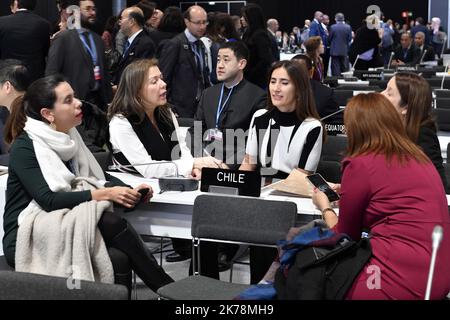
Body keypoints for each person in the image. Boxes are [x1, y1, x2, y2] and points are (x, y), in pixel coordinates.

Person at [2, 74, 174, 294]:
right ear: (48, 114)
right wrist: (104, 194)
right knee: (110, 221)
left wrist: (129, 191)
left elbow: (96, 177)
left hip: (64, 220)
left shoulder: (71, 136)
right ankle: (169, 290)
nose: (78, 103)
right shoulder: (25, 147)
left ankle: (168, 290)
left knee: (118, 258)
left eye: (74, 96)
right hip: (28, 232)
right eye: (68, 100)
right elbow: (48, 199)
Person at [312, 93, 450, 299]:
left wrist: (325, 206)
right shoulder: (419, 157)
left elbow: (345, 236)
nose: (345, 130)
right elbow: (393, 198)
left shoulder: (359, 163)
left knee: (304, 266)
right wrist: (351, 192)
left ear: (355, 128)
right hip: (439, 274)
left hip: (395, 278)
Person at [108, 59, 223, 263]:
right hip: (141, 198)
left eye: (161, 78)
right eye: (154, 81)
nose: (163, 84)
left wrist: (193, 168)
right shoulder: (121, 122)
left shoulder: (166, 112)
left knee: (209, 217)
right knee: (204, 221)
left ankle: (201, 278)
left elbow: (183, 152)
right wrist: (193, 164)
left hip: (171, 190)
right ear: (136, 89)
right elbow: (147, 169)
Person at [239, 60, 324, 283]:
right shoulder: (260, 117)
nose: (276, 88)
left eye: (284, 83)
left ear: (299, 88)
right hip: (258, 198)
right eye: (273, 81)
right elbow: (249, 163)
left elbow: (302, 177)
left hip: (290, 201)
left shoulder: (311, 126)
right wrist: (233, 184)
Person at [191, 41, 266, 170]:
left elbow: (255, 142)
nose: (220, 65)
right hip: (206, 163)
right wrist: (201, 161)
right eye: (218, 59)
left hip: (238, 168)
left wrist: (226, 166)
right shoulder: (208, 93)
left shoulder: (257, 97)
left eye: (226, 60)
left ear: (241, 64)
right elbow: (196, 131)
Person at [381, 72, 448, 192]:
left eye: (389, 93)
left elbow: (436, 184)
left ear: (406, 108)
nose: (381, 95)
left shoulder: (423, 135)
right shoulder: (386, 129)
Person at [46, 0, 112, 112]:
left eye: (94, 9)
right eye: (88, 9)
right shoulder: (63, 38)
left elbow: (104, 72)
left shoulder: (97, 39)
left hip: (98, 103)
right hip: (73, 102)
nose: (92, 13)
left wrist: (109, 100)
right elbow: (52, 73)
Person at [158, 5, 211, 117]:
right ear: (187, 22)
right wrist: (169, 106)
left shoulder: (200, 44)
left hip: (200, 106)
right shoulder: (174, 44)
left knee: (198, 134)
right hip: (180, 109)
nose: (202, 27)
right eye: (198, 23)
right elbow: (164, 78)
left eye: (205, 22)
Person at [0, 0, 51, 82]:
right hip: (34, 76)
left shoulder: (2, 22)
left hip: (8, 75)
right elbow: (46, 51)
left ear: (16, 3)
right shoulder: (44, 24)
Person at [292, 54, 342, 135]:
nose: (296, 76)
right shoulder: (278, 93)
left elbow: (338, 125)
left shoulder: (324, 94)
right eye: (292, 72)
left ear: (310, 72)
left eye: (300, 72)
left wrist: (318, 129)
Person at [112, 6, 156, 85]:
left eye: (121, 18)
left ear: (132, 21)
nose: (119, 22)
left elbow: (139, 75)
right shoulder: (129, 42)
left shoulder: (145, 44)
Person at [241, 4, 275, 89]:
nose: (241, 19)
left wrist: (250, 73)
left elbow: (265, 59)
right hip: (248, 76)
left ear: (251, 18)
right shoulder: (247, 33)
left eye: (244, 17)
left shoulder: (260, 35)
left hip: (257, 80)